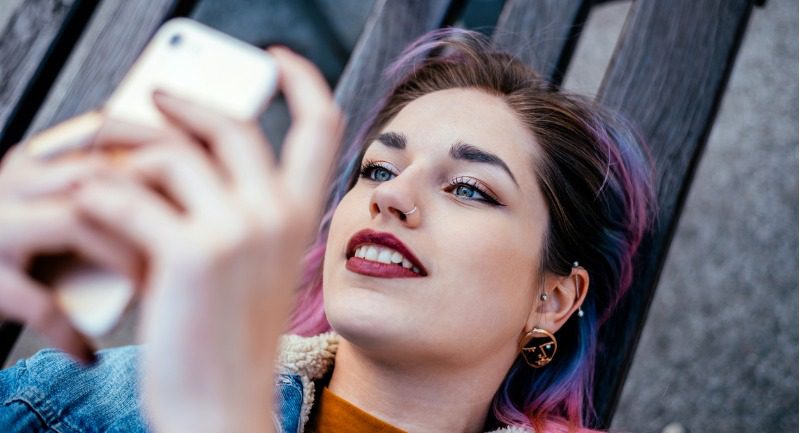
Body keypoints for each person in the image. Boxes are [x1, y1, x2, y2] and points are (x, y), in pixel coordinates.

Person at [0, 29, 654, 433]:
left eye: (467, 187)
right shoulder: (93, 395)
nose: (392, 196)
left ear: (554, 297)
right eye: (376, 169)